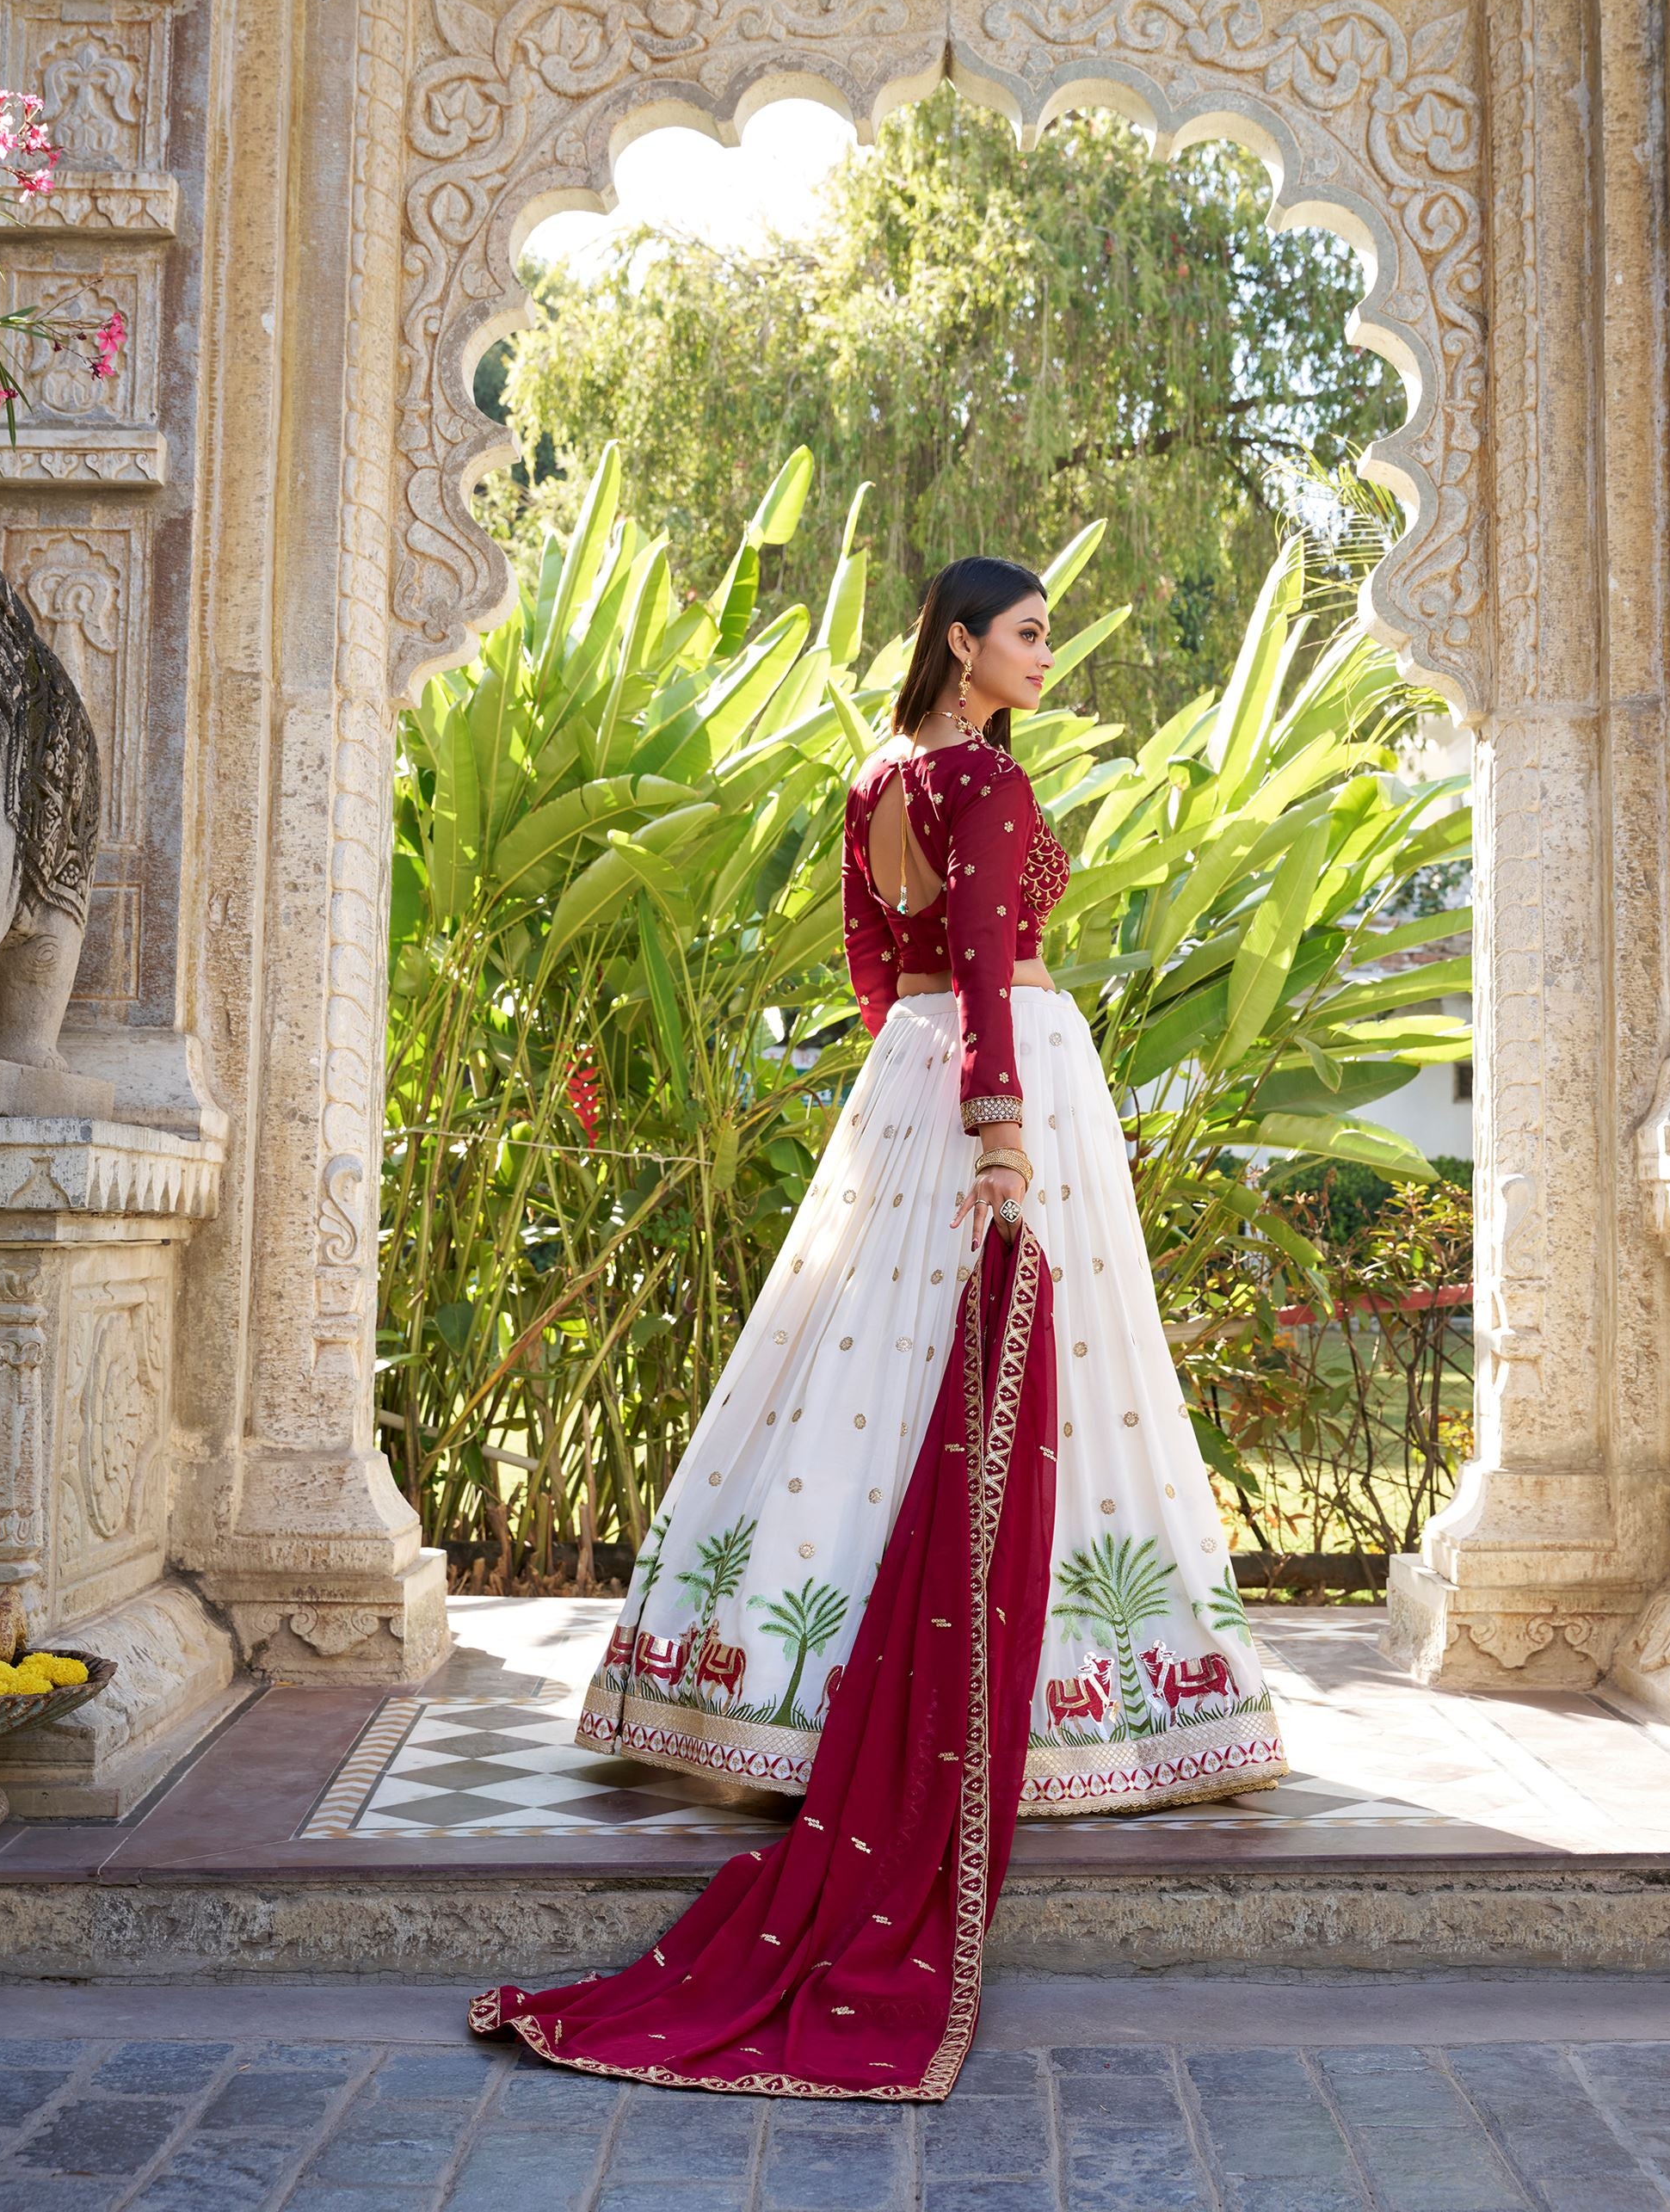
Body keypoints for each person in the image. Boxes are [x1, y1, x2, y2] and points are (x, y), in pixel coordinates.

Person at [472, 557, 1282, 2098]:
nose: (1044, 656)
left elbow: (873, 960)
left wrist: (913, 1093)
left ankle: (755, 1702)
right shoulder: (979, 776)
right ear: (960, 644)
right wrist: (997, 1123)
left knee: (862, 1370)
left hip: (902, 1072)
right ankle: (1087, 1722)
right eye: (1026, 635)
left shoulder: (875, 775)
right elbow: (982, 955)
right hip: (995, 1068)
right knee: (1024, 1375)